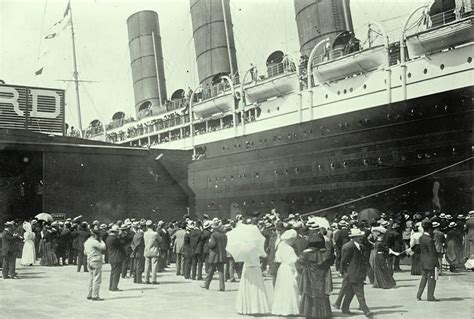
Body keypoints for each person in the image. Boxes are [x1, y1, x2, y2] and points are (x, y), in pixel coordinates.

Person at [297, 232, 335, 319]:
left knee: (309, 292)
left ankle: (309, 312)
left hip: (309, 276)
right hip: (322, 276)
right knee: (322, 292)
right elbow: (331, 260)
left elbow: (300, 262)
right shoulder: (325, 253)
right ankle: (324, 312)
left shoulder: (306, 253)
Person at [235, 225, 270, 315]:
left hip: (247, 268)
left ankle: (245, 308)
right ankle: (256, 308)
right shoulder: (257, 246)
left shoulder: (244, 245)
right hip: (255, 268)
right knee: (256, 287)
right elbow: (264, 255)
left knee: (247, 287)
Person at [340, 228, 372, 317]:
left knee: (350, 292)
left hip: (358, 273)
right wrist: (344, 271)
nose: (360, 238)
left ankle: (345, 309)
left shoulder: (360, 246)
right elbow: (343, 261)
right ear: (353, 238)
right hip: (354, 273)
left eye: (360, 236)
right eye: (358, 237)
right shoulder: (348, 247)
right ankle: (366, 311)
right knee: (360, 293)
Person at [271, 229, 300, 316]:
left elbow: (278, 258)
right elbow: (293, 262)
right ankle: (288, 309)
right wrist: (296, 271)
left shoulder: (280, 246)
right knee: (289, 287)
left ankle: (280, 308)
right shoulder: (290, 249)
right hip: (288, 268)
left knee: (281, 288)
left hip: (282, 268)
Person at [416, 221, 439, 302]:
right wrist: (437, 264)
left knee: (424, 278)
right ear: (429, 229)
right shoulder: (429, 240)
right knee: (432, 280)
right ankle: (430, 296)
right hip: (430, 262)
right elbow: (433, 254)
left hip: (423, 261)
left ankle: (419, 295)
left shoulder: (421, 238)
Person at [202, 219, 227, 291]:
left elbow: (212, 245)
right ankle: (222, 287)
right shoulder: (224, 235)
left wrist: (208, 244)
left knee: (211, 271)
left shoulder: (213, 235)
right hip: (222, 255)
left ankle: (206, 285)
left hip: (214, 255)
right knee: (221, 272)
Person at [84, 230, 106, 301]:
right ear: (96, 235)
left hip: (89, 260)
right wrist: (101, 240)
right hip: (96, 260)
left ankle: (89, 294)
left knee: (91, 278)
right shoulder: (95, 242)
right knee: (97, 278)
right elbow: (103, 247)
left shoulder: (86, 242)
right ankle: (95, 295)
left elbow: (85, 252)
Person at [106, 225, 126, 291]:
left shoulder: (108, 238)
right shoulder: (115, 239)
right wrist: (121, 236)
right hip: (117, 257)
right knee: (117, 273)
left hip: (112, 256)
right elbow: (122, 244)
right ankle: (114, 287)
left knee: (113, 272)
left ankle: (111, 286)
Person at [143, 220, 161, 284]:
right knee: (154, 266)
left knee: (147, 266)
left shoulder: (145, 233)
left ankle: (146, 279)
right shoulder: (155, 233)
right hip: (154, 251)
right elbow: (160, 240)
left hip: (147, 250)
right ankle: (154, 280)